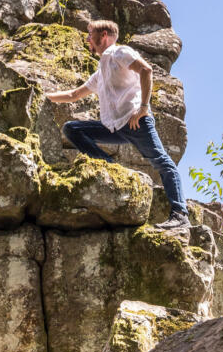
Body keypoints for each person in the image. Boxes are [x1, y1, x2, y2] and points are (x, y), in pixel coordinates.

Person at [43, 19, 191, 231]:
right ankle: (111, 168)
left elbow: (146, 70)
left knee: (162, 162)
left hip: (135, 122)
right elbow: (73, 94)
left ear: (103, 35)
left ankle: (180, 215)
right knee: (71, 129)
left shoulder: (119, 53)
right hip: (114, 127)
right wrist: (41, 95)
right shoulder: (101, 72)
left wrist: (143, 107)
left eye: (90, 35)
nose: (87, 40)